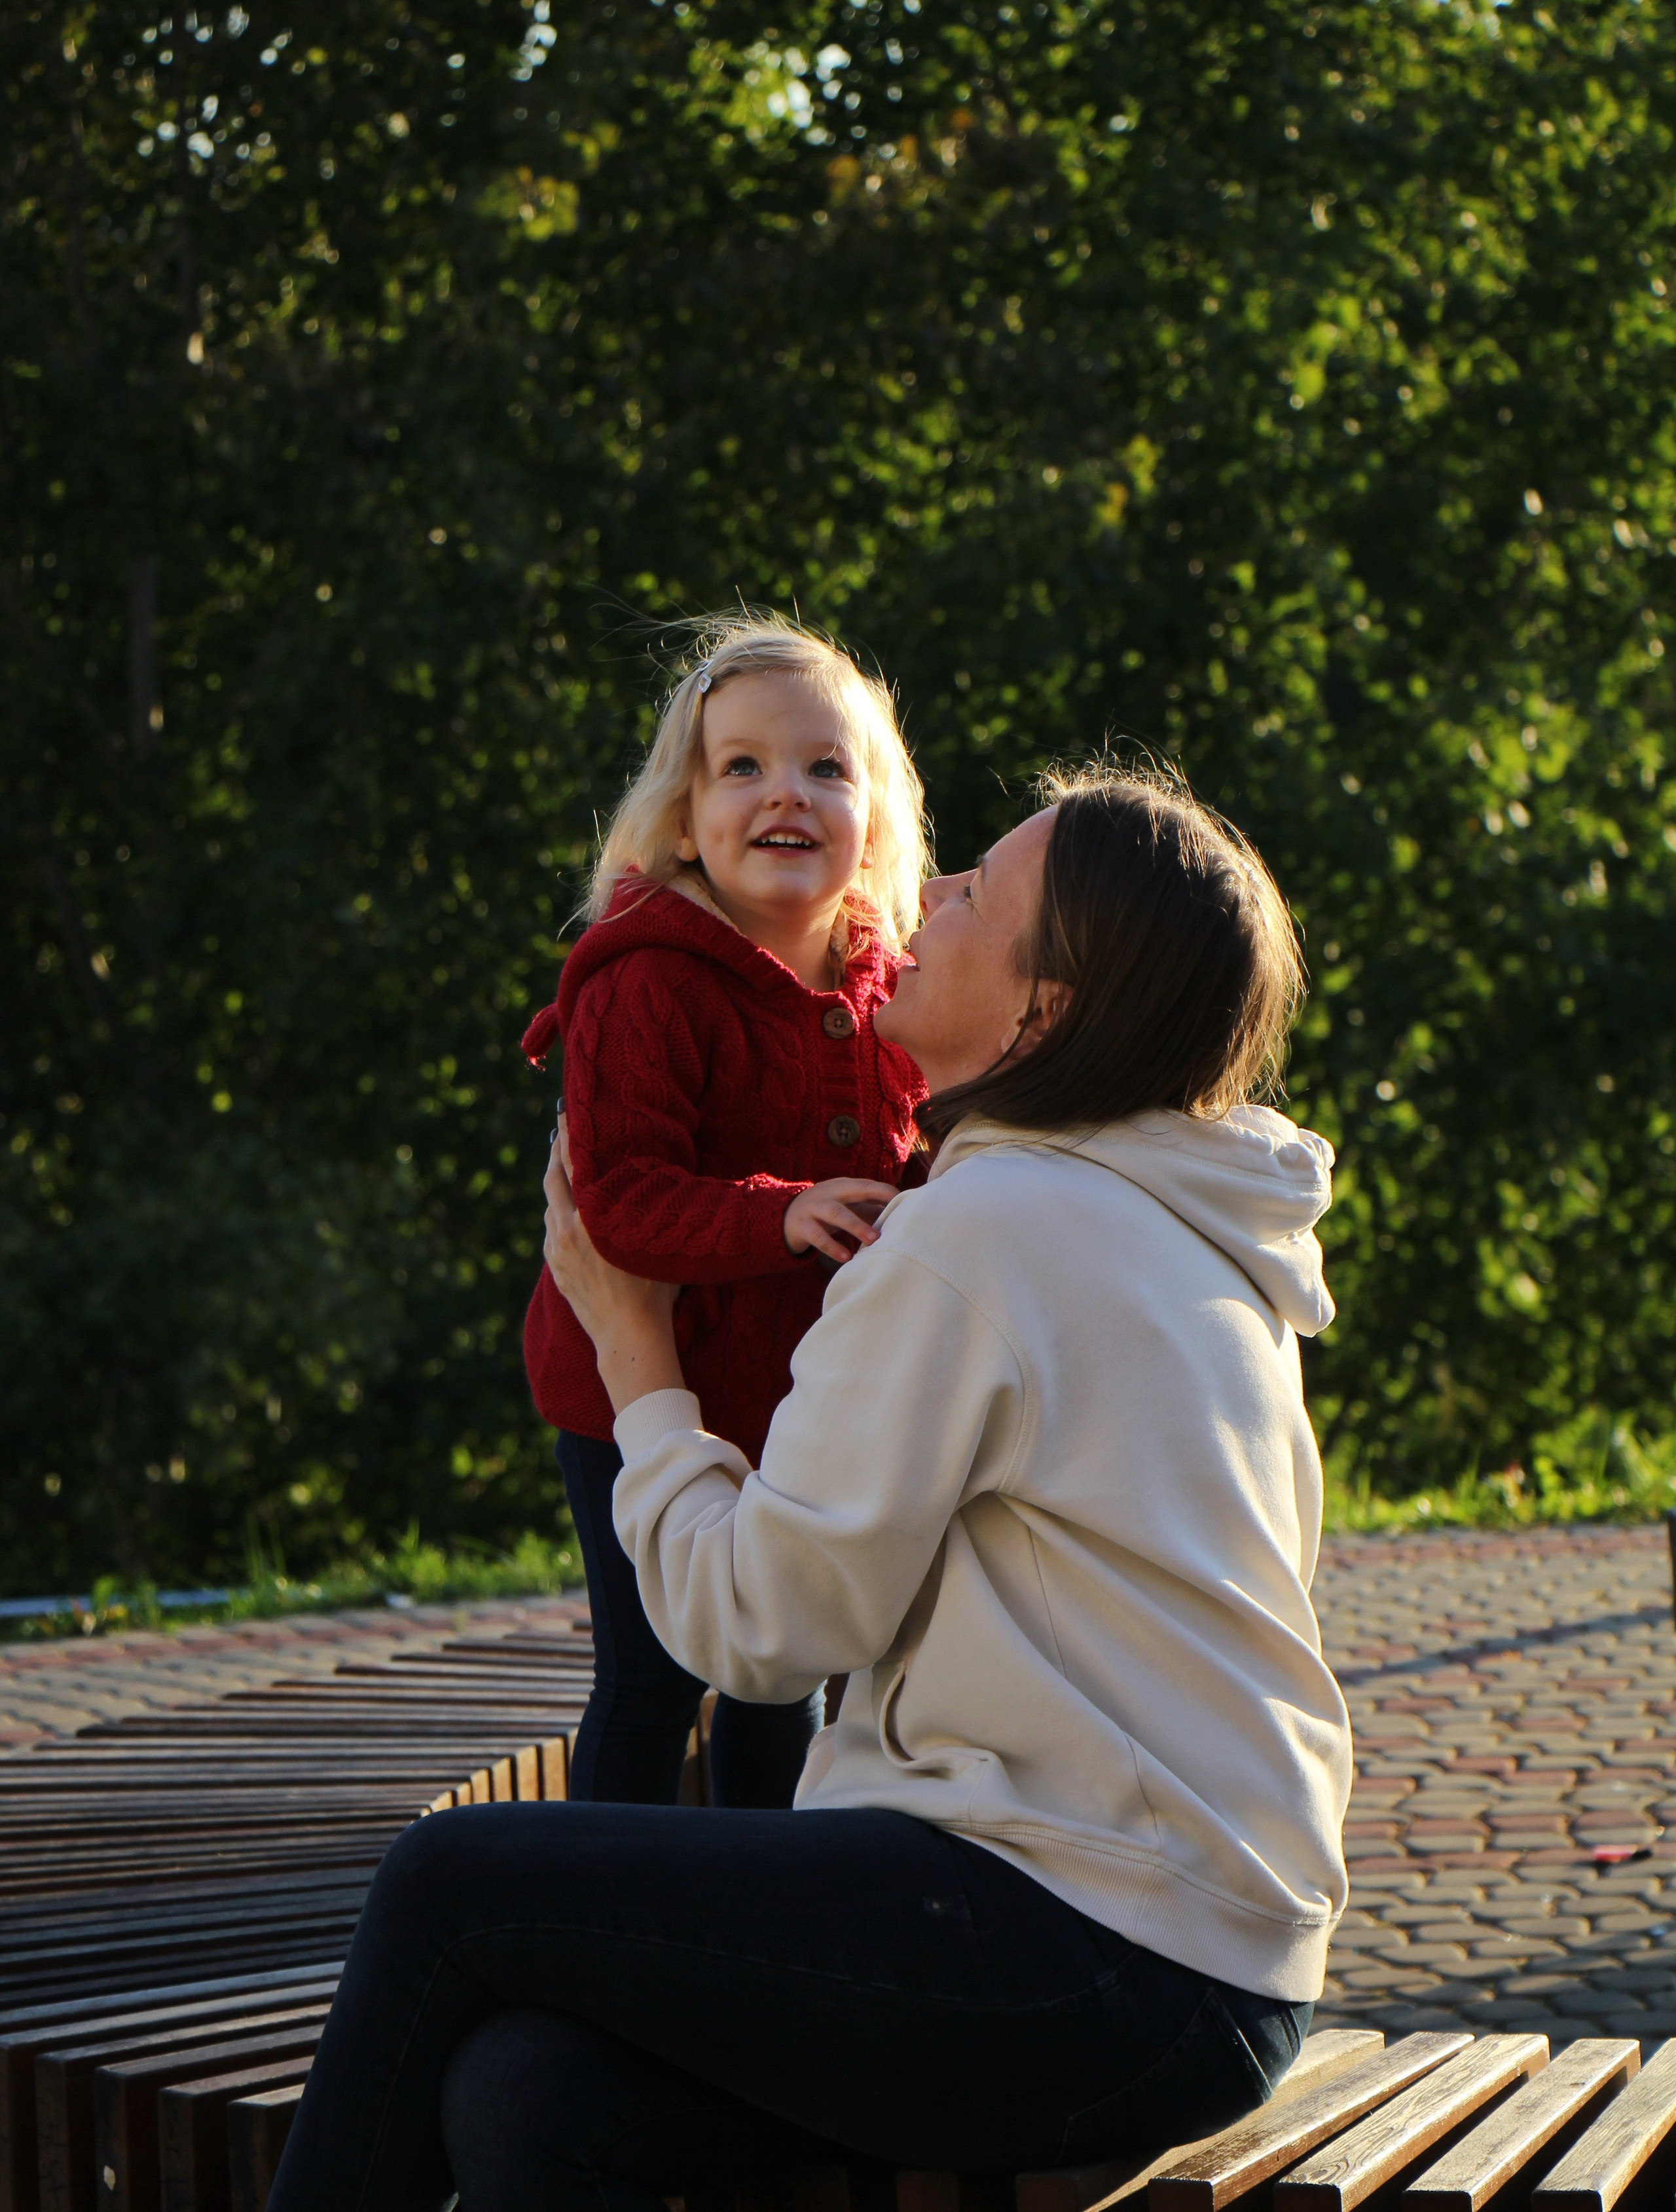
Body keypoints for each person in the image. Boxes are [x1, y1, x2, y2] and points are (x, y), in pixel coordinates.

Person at [268, 765, 1352, 2212]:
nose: (925, 895)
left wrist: (633, 1347)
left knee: (448, 1885)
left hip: (1081, 1944)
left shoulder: (991, 1234)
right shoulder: (1179, 1228)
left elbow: (757, 1628)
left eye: (973, 894)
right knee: (529, 2096)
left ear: (1044, 1013)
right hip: (1205, 1972)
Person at [519, 612, 928, 1805]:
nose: (781, 794)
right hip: (631, 1384)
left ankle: (764, 1898)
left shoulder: (885, 980)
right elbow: (622, 1205)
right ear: (684, 817)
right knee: (650, 1677)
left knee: (780, 1667)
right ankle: (592, 1931)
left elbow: (920, 1152)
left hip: (799, 1390)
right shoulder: (646, 978)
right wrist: (782, 1213)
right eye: (740, 767)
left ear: (875, 815)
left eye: (823, 767)